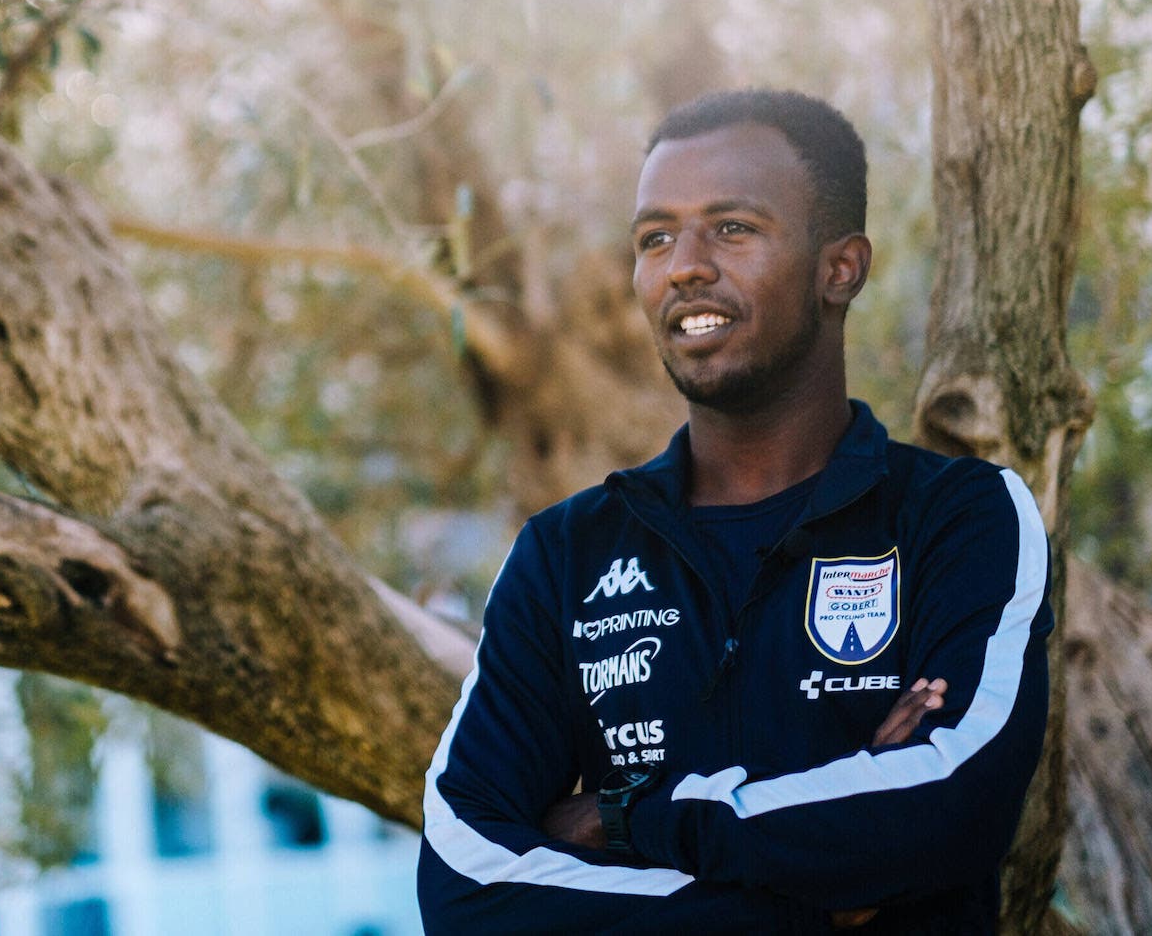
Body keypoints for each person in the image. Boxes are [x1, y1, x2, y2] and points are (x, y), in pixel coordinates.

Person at [417, 90, 1052, 934]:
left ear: (842, 268)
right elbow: (467, 882)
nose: (683, 265)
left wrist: (625, 820)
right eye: (655, 238)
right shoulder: (565, 556)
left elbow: (952, 800)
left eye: (731, 227)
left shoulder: (957, 518)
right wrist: (816, 894)